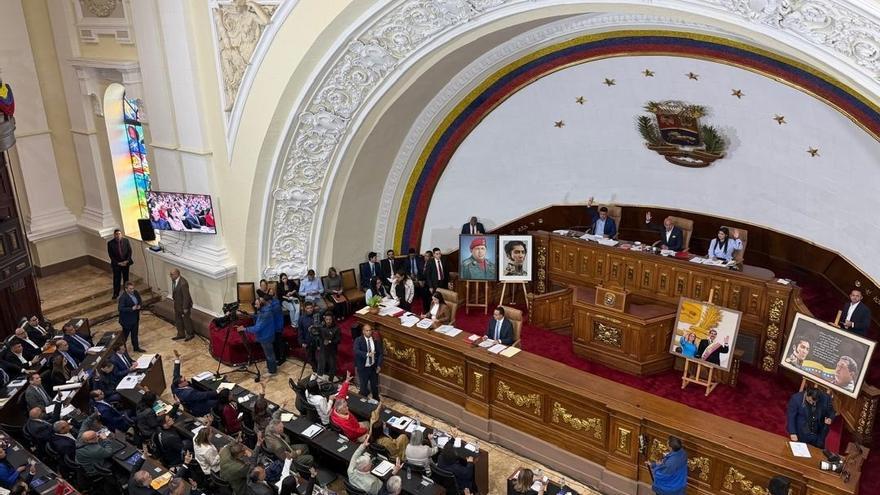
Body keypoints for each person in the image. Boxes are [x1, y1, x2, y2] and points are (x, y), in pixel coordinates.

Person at [237, 297, 277, 375]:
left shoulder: (265, 314)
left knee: (269, 354)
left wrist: (244, 329)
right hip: (267, 334)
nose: (255, 306)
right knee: (269, 354)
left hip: (265, 337)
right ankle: (271, 368)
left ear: (261, 304)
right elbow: (258, 317)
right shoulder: (265, 309)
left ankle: (272, 370)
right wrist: (249, 315)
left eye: (256, 304)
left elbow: (257, 328)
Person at [171, 350, 218, 416]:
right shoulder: (188, 393)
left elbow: (176, 373)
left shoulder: (174, 385)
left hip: (192, 400)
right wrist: (216, 392)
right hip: (197, 406)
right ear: (180, 384)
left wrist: (177, 358)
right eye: (184, 380)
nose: (186, 380)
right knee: (217, 402)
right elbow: (203, 395)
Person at [355, 323, 383, 400]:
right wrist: (367, 354)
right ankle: (362, 402)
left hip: (373, 368)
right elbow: (356, 351)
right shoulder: (358, 340)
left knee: (375, 387)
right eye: (367, 331)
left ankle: (376, 400)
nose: (369, 332)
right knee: (363, 388)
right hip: (363, 368)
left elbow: (380, 353)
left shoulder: (375, 340)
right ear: (363, 331)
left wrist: (379, 365)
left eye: (370, 330)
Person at [118, 281, 145, 352]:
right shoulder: (123, 297)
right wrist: (131, 309)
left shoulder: (135, 292)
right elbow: (120, 308)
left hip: (135, 318)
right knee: (125, 336)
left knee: (134, 334)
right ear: (126, 289)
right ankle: (120, 349)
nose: (132, 290)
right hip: (127, 320)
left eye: (133, 288)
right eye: (130, 289)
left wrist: (139, 305)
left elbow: (140, 300)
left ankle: (136, 348)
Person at [107, 229, 133, 299]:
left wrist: (127, 261)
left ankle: (127, 292)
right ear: (114, 235)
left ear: (121, 234)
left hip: (125, 263)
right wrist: (118, 263)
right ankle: (116, 293)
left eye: (119, 234)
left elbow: (129, 252)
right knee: (116, 279)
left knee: (126, 278)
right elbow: (111, 255)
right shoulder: (110, 243)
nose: (118, 235)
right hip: (117, 264)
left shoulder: (126, 241)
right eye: (116, 234)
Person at [170, 269, 195, 341]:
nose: (170, 276)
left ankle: (190, 334)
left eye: (172, 274)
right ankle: (181, 334)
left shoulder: (183, 283)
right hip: (177, 304)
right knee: (178, 320)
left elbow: (186, 296)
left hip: (184, 306)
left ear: (177, 274)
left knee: (186, 320)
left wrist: (185, 307)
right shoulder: (174, 281)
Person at [318, 312, 341, 380]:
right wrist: (318, 345)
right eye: (327, 319)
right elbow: (319, 337)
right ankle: (319, 378)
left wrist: (330, 342)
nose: (328, 321)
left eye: (330, 319)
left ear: (332, 319)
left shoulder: (336, 328)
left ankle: (331, 380)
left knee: (332, 365)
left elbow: (338, 340)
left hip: (332, 350)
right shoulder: (321, 327)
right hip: (323, 349)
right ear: (324, 319)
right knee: (321, 364)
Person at [298, 302, 319, 372]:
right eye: (308, 308)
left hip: (318, 340)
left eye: (311, 308)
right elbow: (300, 331)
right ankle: (315, 370)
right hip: (308, 341)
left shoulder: (317, 316)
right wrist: (302, 342)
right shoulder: (301, 319)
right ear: (305, 309)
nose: (310, 310)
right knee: (311, 358)